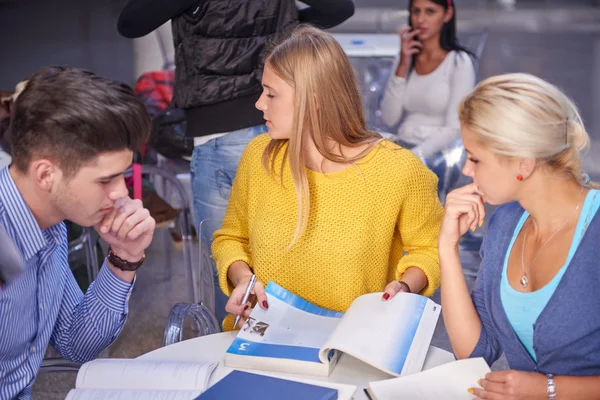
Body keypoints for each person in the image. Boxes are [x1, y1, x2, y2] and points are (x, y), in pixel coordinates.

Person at [212, 26, 444, 331]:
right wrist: (244, 278)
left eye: (271, 94)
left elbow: (431, 249)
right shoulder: (259, 157)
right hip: (259, 339)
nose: (259, 104)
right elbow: (230, 238)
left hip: (351, 344)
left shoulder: (398, 170)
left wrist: (404, 286)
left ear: (314, 100)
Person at [117, 0, 355, 226]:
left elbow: (131, 23)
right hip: (286, 128)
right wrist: (286, 29)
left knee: (227, 260)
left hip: (219, 129)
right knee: (285, 257)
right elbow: (340, 8)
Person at [439, 73, 600, 398]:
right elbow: (474, 353)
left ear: (523, 164)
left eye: (475, 158)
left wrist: (551, 390)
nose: (466, 171)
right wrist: (447, 249)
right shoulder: (506, 224)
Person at [0, 66, 156, 399]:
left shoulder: (51, 226)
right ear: (45, 174)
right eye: (105, 180)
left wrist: (123, 258)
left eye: (122, 176)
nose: (120, 193)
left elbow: (76, 343)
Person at [380, 0, 476, 162]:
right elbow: (389, 118)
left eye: (430, 12)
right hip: (402, 145)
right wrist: (403, 66)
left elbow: (454, 128)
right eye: (416, 11)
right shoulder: (405, 58)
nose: (421, 20)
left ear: (447, 14)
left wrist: (414, 156)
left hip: (438, 156)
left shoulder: (459, 62)